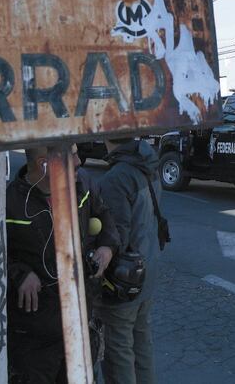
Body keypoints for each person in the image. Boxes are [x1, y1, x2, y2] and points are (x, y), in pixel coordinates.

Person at [6, 144, 119, 384]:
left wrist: (107, 247)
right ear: (44, 164)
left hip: (79, 326)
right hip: (35, 337)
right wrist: (21, 274)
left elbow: (105, 215)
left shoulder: (82, 184)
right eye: (71, 155)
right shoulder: (10, 202)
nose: (79, 161)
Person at [96, 137, 162, 384]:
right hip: (146, 270)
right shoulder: (146, 162)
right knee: (142, 344)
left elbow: (115, 237)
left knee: (118, 351)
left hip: (123, 279)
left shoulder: (116, 178)